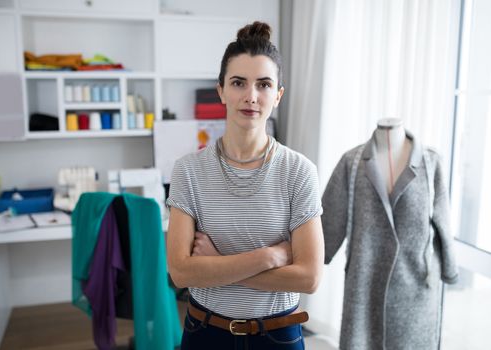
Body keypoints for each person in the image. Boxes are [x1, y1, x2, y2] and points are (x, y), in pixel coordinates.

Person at [166, 21, 325, 349]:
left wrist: (213, 263)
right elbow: (181, 273)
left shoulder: (299, 172)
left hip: (279, 336)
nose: (251, 96)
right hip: (206, 333)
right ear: (221, 90)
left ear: (278, 95)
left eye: (264, 84)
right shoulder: (188, 171)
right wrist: (269, 256)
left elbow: (309, 277)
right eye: (238, 82)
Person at [321, 119, 458, 350]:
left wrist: (449, 270)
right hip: (365, 282)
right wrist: (314, 257)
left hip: (416, 286)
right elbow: (330, 218)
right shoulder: (351, 163)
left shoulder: (431, 162)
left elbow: (443, 220)